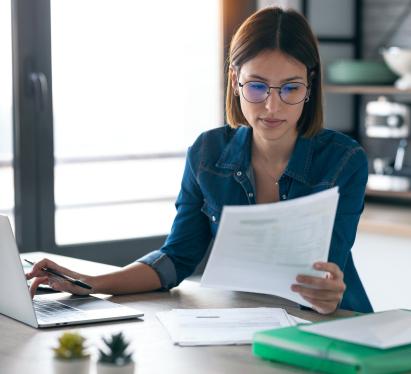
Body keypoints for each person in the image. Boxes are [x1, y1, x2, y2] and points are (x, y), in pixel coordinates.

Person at [26, 7, 372, 314]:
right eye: (257, 87)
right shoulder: (207, 154)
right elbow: (176, 259)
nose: (272, 106)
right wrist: (89, 282)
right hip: (243, 324)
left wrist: (326, 294)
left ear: (309, 86)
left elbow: (328, 271)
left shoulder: (343, 160)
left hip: (333, 322)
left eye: (290, 88)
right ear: (235, 81)